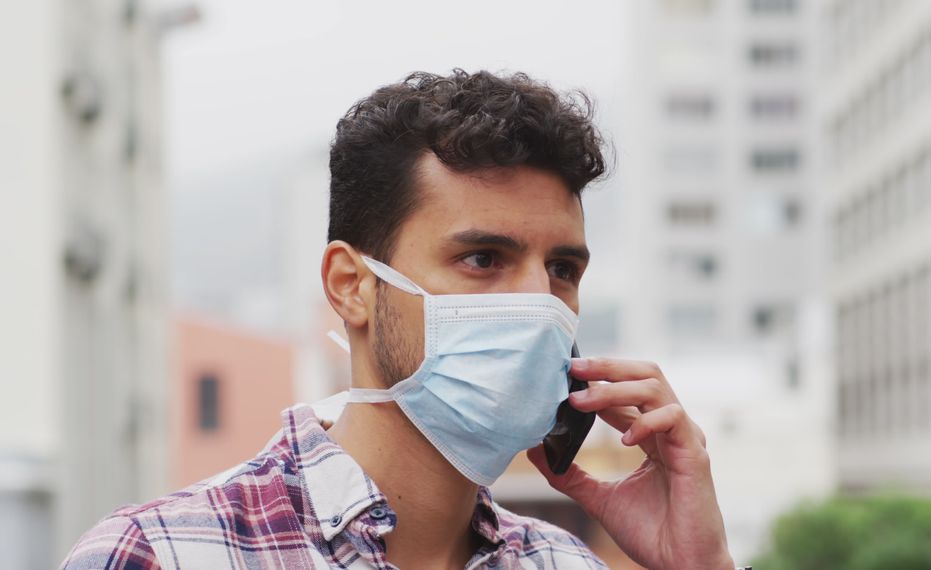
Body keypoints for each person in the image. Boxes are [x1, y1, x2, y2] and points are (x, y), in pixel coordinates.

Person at [62, 70, 739, 570]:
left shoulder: (565, 565)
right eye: (483, 257)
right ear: (352, 286)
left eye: (562, 269)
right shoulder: (162, 555)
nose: (538, 304)